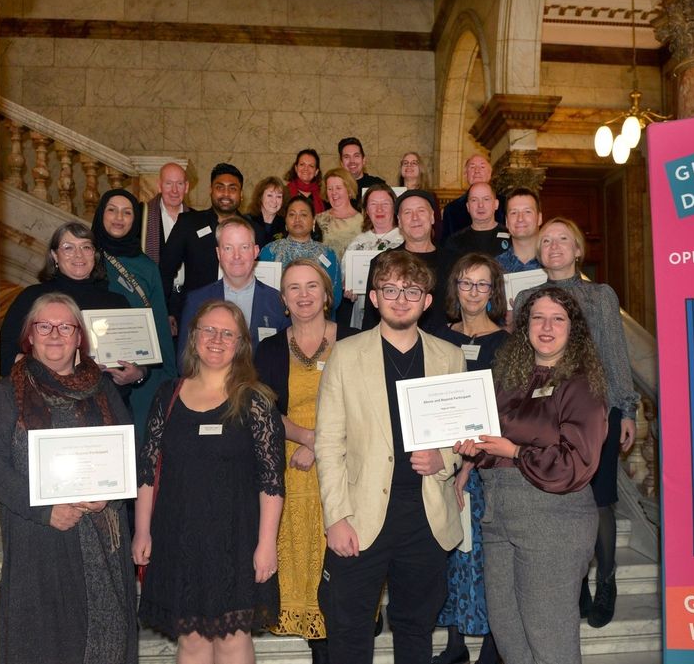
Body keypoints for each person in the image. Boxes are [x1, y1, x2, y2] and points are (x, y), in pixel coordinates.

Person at [315, 249, 466, 664]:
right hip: (361, 517)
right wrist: (336, 517)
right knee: (348, 632)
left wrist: (444, 463)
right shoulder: (345, 354)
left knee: (416, 630)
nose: (401, 298)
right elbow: (328, 443)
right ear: (375, 297)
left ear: (427, 301)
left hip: (426, 516)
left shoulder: (448, 357)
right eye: (391, 289)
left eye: (412, 290)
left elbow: (460, 437)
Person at [0, 292, 138, 664]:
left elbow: (126, 451)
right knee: (44, 646)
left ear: (79, 337)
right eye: (44, 326)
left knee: (106, 642)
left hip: (102, 539)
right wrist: (44, 509)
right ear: (30, 336)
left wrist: (111, 496)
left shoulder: (103, 389)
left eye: (65, 326)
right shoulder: (7, 393)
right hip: (40, 541)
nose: (55, 334)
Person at [455, 286, 608, 664]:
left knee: (549, 640)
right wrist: (477, 448)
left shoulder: (581, 383)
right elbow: (490, 433)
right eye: (538, 317)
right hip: (498, 514)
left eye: (558, 319)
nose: (546, 327)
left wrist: (515, 451)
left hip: (554, 516)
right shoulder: (510, 376)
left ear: (574, 329)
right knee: (508, 635)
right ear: (524, 326)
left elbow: (577, 462)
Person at [132, 300, 286, 664]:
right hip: (179, 537)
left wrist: (267, 545)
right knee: (192, 641)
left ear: (241, 343)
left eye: (227, 333)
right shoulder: (168, 393)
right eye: (209, 330)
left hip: (235, 539)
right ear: (194, 337)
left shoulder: (255, 401)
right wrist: (142, 532)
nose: (217, 339)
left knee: (233, 641)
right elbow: (148, 468)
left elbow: (271, 482)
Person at [512, 217, 638, 628]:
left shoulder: (600, 296)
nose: (554, 246)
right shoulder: (526, 297)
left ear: (579, 249)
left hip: (597, 409)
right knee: (562, 495)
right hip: (545, 411)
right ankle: (576, 580)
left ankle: (607, 582)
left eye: (563, 239)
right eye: (546, 240)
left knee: (598, 501)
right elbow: (518, 361)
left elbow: (617, 356)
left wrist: (627, 409)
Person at [255, 260, 347, 664]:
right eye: (294, 288)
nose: (304, 294)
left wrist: (323, 445)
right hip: (293, 472)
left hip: (345, 466)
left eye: (312, 286)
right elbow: (262, 410)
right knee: (307, 580)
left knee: (342, 575)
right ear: (283, 300)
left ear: (328, 294)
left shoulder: (355, 340)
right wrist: (309, 438)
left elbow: (367, 409)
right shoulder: (271, 348)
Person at [431, 253, 508, 664]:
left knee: (488, 558)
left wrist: (472, 464)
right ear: (454, 288)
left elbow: (510, 411)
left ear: (493, 290)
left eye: (482, 284)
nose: (473, 292)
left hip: (490, 469)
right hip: (443, 465)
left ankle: (495, 644)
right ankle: (455, 641)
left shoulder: (508, 343)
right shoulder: (439, 338)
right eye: (465, 283)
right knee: (450, 554)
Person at [92, 188, 179, 444]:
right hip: (92, 373)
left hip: (140, 374)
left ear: (135, 219)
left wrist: (167, 375)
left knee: (139, 445)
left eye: (127, 212)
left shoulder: (147, 267)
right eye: (112, 210)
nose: (119, 217)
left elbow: (159, 322)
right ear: (100, 215)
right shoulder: (85, 258)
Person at [0, 222, 131, 377]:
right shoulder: (31, 297)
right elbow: (3, 355)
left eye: (86, 247)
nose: (78, 254)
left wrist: (137, 374)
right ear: (55, 255)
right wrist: (49, 368)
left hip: (108, 397)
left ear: (94, 254)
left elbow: (137, 359)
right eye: (68, 247)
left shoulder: (117, 302)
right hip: (44, 397)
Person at [177, 216, 289, 357]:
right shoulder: (196, 302)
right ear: (218, 253)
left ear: (255, 251)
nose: (237, 256)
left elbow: (285, 360)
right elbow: (184, 360)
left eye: (244, 247)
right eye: (228, 248)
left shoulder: (278, 302)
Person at [159, 162, 245, 321]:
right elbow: (165, 270)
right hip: (195, 315)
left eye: (232, 188)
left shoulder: (252, 229)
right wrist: (167, 311)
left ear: (241, 194)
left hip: (241, 315)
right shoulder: (188, 223)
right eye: (220, 187)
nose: (226, 193)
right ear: (211, 190)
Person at [360, 190, 454, 333]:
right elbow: (370, 319)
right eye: (408, 213)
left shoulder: (455, 262)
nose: (415, 218)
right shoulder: (382, 262)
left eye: (421, 211)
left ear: (432, 217)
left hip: (444, 345)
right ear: (399, 222)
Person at [259, 195, 343, 309]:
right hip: (277, 319)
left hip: (318, 320)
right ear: (285, 221)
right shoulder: (269, 251)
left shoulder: (328, 254)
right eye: (292, 214)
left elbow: (334, 297)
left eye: (303, 214)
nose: (297, 219)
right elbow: (260, 293)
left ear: (313, 221)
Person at [340, 183, 403, 331]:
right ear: (366, 210)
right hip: (363, 311)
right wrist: (348, 285)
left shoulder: (404, 240)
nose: (379, 209)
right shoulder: (357, 242)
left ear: (394, 207)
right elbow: (346, 277)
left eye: (385, 204)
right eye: (373, 204)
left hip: (397, 308)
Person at [440, 155, 504, 243]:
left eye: (482, 167)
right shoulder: (451, 210)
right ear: (466, 174)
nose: (477, 171)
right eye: (472, 167)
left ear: (490, 174)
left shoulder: (505, 204)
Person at [141, 162, 190, 271]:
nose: (174, 190)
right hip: (155, 287)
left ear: (186, 187)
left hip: (190, 288)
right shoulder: (142, 217)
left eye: (180, 184)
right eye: (168, 183)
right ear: (159, 186)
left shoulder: (197, 220)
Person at [448, 181, 510, 258]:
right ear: (468, 207)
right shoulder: (455, 242)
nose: (480, 205)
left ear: (496, 204)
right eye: (474, 200)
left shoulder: (512, 238)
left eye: (486, 199)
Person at [314, 167, 363, 260]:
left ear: (349, 190)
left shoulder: (364, 221)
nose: (334, 193)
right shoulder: (319, 220)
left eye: (338, 188)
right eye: (330, 189)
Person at [495, 187, 543, 273]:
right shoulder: (495, 268)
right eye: (514, 213)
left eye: (527, 211)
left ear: (539, 218)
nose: (520, 218)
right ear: (506, 221)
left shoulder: (554, 262)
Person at [244, 175, 287, 247]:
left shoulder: (286, 224)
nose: (274, 201)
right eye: (269, 195)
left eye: (279, 196)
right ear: (260, 197)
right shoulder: (247, 221)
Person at [285, 149, 326, 213]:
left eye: (311, 166)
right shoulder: (284, 192)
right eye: (302, 164)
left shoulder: (324, 195)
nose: (306, 168)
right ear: (296, 168)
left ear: (316, 172)